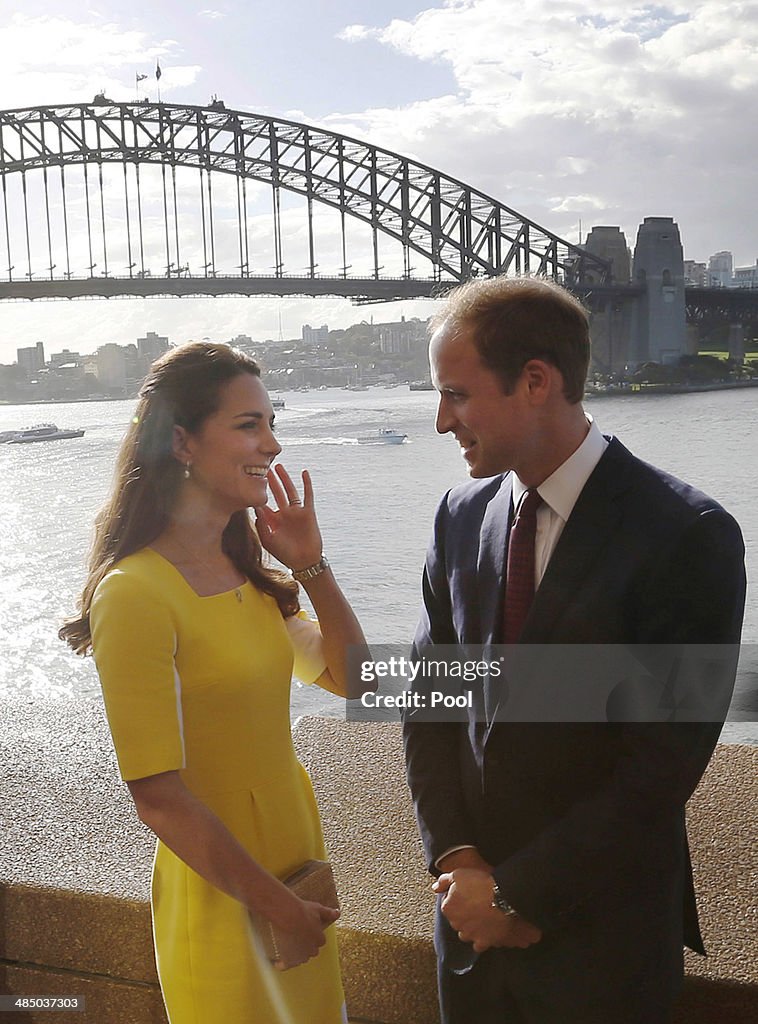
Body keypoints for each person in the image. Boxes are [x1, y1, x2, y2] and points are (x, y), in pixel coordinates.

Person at [402, 276, 746, 1024]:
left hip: (600, 946)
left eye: (457, 394)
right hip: (469, 939)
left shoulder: (686, 535)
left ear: (535, 382)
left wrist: (517, 893)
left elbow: (662, 765)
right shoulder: (459, 516)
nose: (439, 421)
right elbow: (429, 706)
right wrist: (457, 861)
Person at [60, 341, 370, 1024]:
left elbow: (356, 683)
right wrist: (277, 905)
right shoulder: (135, 593)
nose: (273, 444)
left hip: (297, 876)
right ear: (182, 442)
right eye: (249, 425)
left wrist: (313, 567)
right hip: (233, 898)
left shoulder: (250, 577)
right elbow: (159, 798)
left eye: (270, 422)